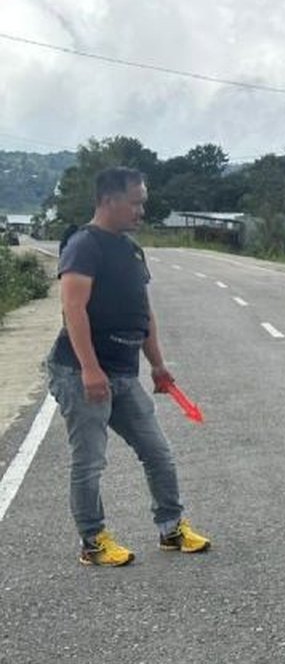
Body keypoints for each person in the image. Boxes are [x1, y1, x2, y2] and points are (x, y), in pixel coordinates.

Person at [45, 166, 211, 567]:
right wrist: (89, 369)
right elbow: (73, 308)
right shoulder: (85, 245)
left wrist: (157, 364)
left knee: (157, 452)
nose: (141, 211)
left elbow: (143, 310)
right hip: (81, 372)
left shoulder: (131, 249)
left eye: (143, 203)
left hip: (122, 372)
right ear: (108, 201)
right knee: (89, 460)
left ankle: (171, 528)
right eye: (135, 203)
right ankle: (93, 541)